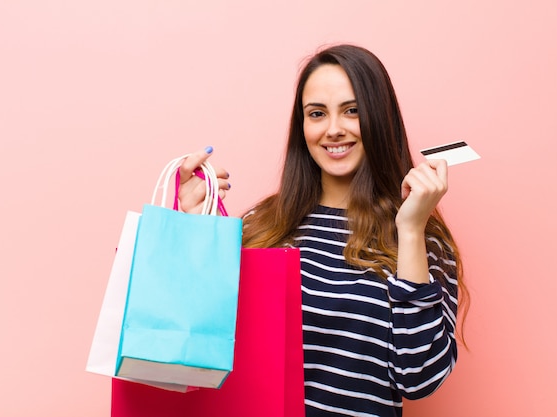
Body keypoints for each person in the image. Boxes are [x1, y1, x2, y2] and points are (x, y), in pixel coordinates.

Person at [178, 44, 468, 417]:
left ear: (380, 119)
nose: (333, 130)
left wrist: (410, 230)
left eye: (352, 111)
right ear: (302, 126)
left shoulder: (421, 241)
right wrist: (193, 228)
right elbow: (204, 339)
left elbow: (420, 378)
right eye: (317, 113)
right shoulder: (261, 226)